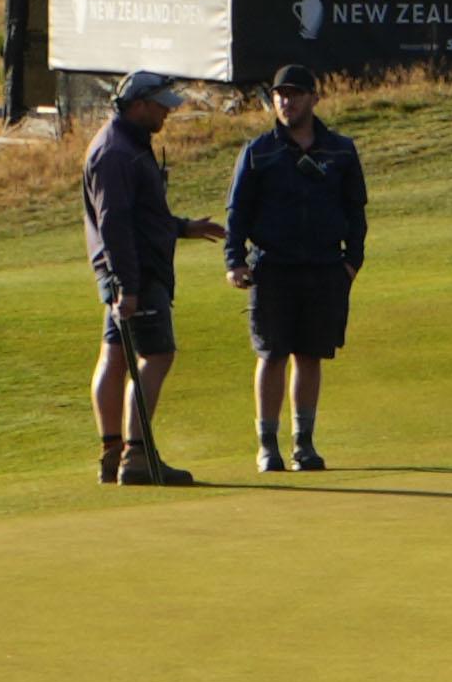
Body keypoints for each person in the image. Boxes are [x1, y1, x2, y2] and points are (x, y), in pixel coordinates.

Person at [219, 63, 369, 474]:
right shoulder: (259, 151)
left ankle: (304, 443)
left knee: (310, 355)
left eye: (295, 94)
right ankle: (267, 445)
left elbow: (355, 210)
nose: (286, 101)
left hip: (324, 268)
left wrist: (351, 262)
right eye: (280, 95)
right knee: (271, 355)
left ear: (313, 99)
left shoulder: (340, 150)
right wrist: (234, 261)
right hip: (272, 268)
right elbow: (238, 214)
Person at [78, 77, 216, 486]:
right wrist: (129, 287)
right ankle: (135, 456)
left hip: (125, 269)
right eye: (160, 105)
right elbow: (115, 224)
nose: (166, 111)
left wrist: (184, 227)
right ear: (137, 105)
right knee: (156, 356)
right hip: (135, 271)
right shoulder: (117, 153)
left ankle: (113, 452)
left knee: (116, 354)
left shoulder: (127, 145)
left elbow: (141, 216)